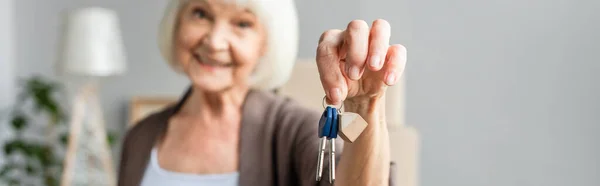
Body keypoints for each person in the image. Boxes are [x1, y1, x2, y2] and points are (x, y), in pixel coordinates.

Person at [117, 0, 407, 185]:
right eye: (200, 13)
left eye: (242, 23)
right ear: (176, 23)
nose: (215, 41)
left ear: (267, 44)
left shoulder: (294, 129)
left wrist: (365, 104)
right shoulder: (142, 135)